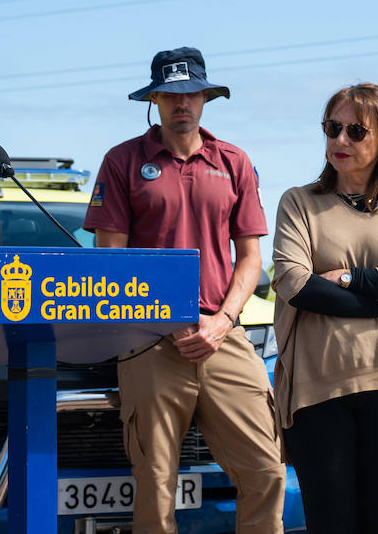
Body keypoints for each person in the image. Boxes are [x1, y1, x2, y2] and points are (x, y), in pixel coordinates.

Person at [83, 46, 285, 534]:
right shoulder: (122, 161)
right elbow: (110, 260)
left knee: (267, 470)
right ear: (153, 98)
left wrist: (223, 322)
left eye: (191, 93)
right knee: (154, 485)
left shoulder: (234, 161)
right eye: (171, 95)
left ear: (205, 97)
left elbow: (251, 259)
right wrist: (160, 319)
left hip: (223, 335)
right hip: (148, 340)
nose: (182, 104)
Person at [272, 82, 378, 534]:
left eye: (355, 132)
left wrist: (346, 277)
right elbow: (294, 283)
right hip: (316, 390)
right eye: (332, 128)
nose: (340, 141)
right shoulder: (299, 202)